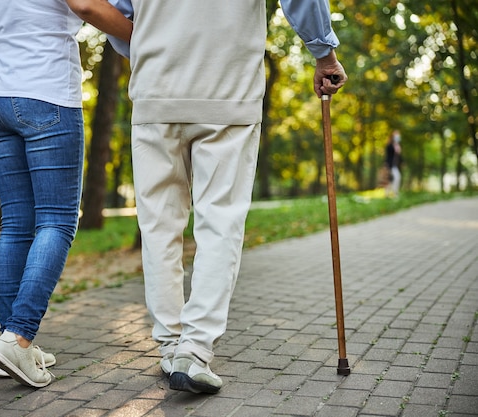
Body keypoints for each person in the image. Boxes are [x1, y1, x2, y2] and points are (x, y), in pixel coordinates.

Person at [108, 0, 347, 394]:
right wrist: (323, 53)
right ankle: (194, 349)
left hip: (155, 91)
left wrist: (152, 45)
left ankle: (170, 345)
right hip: (227, 91)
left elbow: (115, 12)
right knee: (220, 222)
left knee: (158, 227)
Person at [0, 0, 131, 388]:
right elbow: (87, 5)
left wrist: (5, 91)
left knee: (16, 226)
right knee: (56, 221)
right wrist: (142, 37)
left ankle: (9, 343)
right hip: (49, 98)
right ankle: (19, 338)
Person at [385, 130, 402, 197]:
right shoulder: (389, 145)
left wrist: (402, 162)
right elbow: (388, 155)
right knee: (395, 178)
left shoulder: (398, 145)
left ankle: (389, 194)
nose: (397, 136)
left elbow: (399, 156)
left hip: (395, 165)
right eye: (396, 135)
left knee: (391, 179)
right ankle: (394, 193)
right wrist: (386, 164)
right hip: (390, 165)